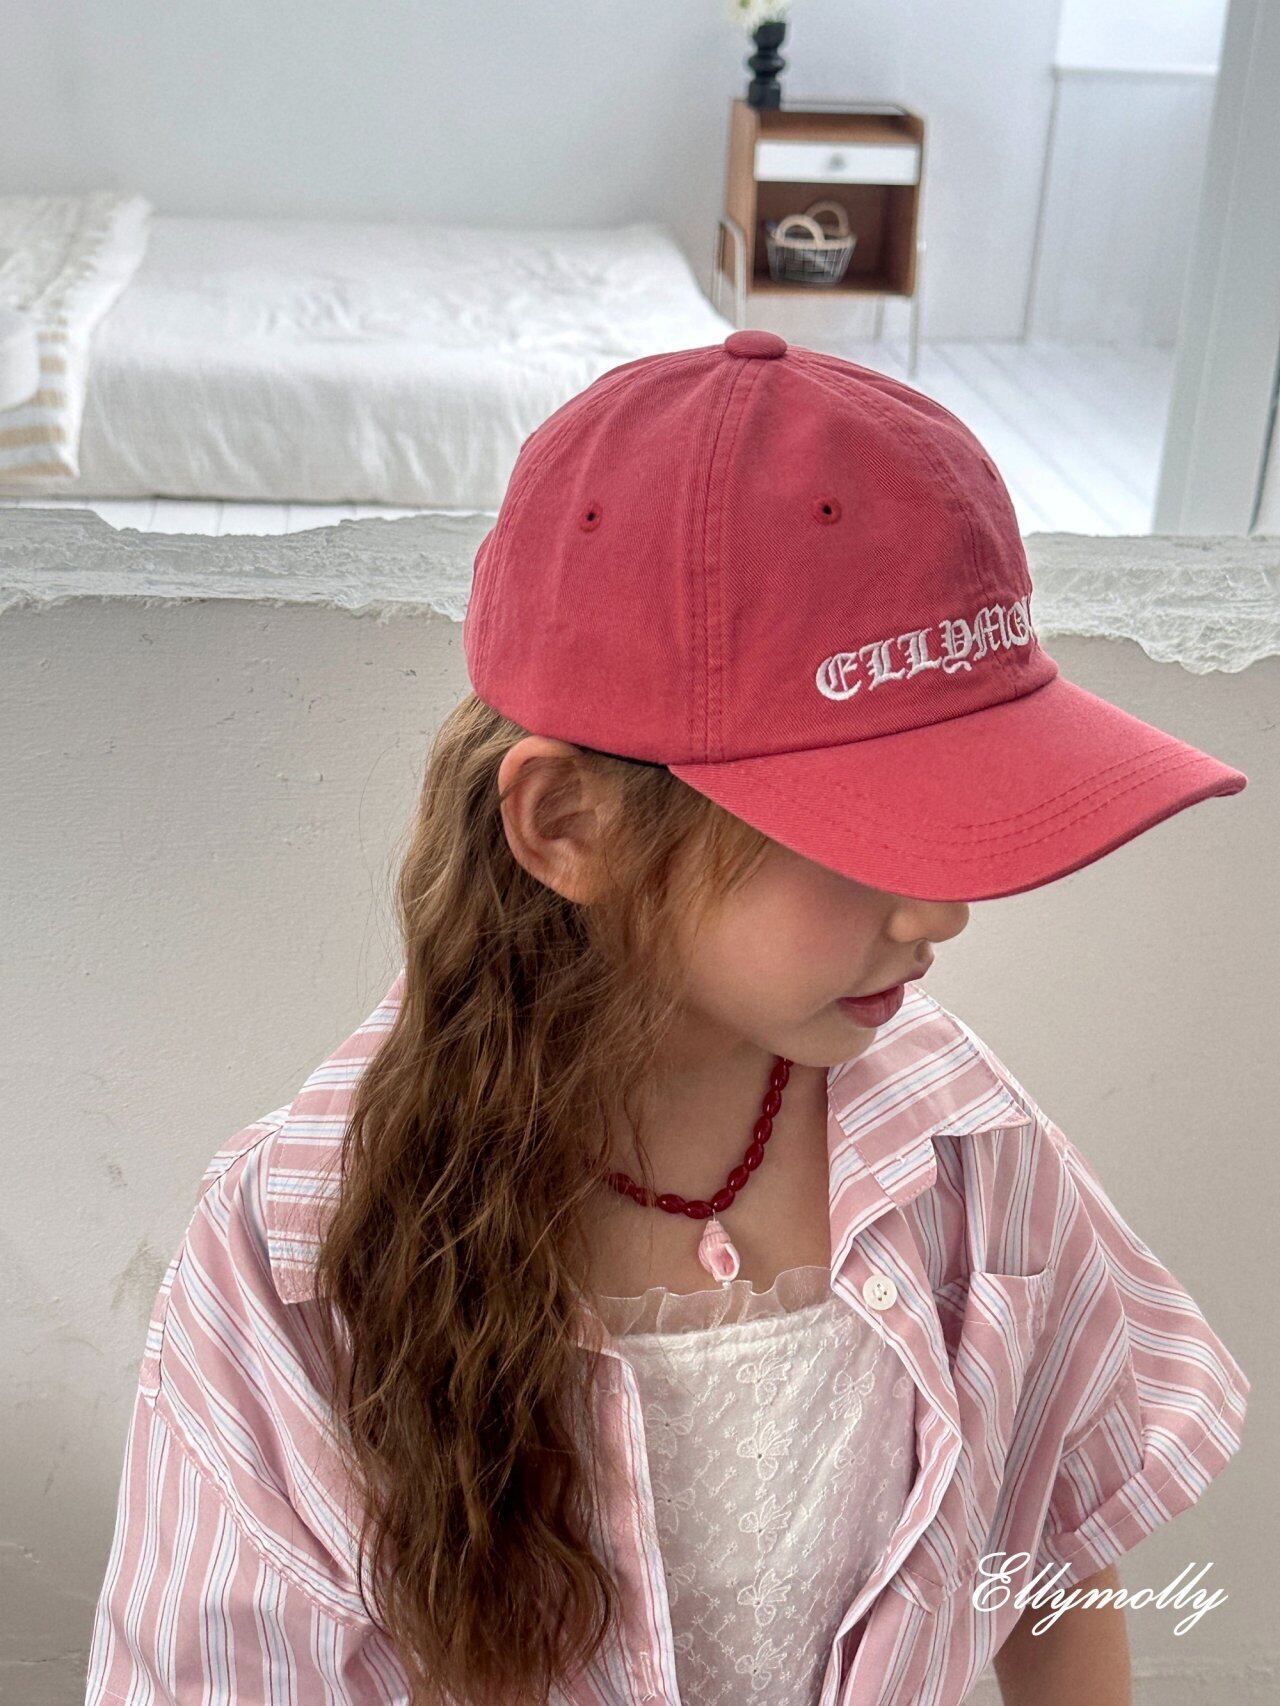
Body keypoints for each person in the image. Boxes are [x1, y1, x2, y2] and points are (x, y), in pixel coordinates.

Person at [86, 331, 1250, 1706]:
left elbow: (1050, 1561)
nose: (941, 910)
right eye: (866, 830)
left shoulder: (967, 1149)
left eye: (966, 810)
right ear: (569, 826)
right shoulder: (297, 1257)